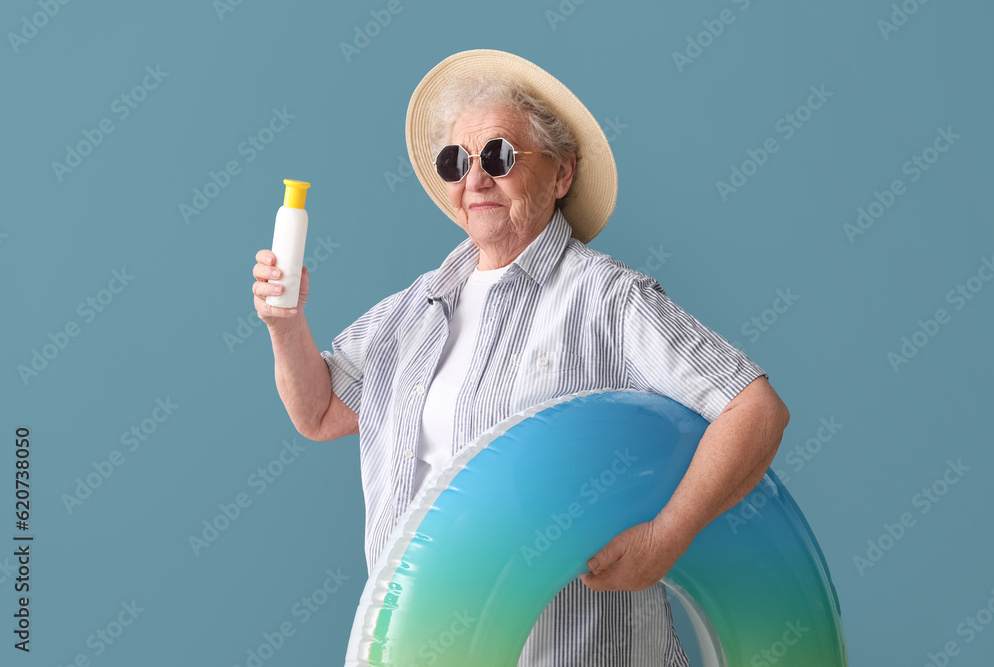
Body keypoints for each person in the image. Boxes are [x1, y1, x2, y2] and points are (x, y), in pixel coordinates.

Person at [252, 49, 789, 666]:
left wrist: (669, 535)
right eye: (456, 161)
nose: (474, 179)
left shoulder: (604, 299)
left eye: (499, 157)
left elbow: (757, 409)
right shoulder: (413, 309)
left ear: (561, 174)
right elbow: (318, 412)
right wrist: (284, 324)